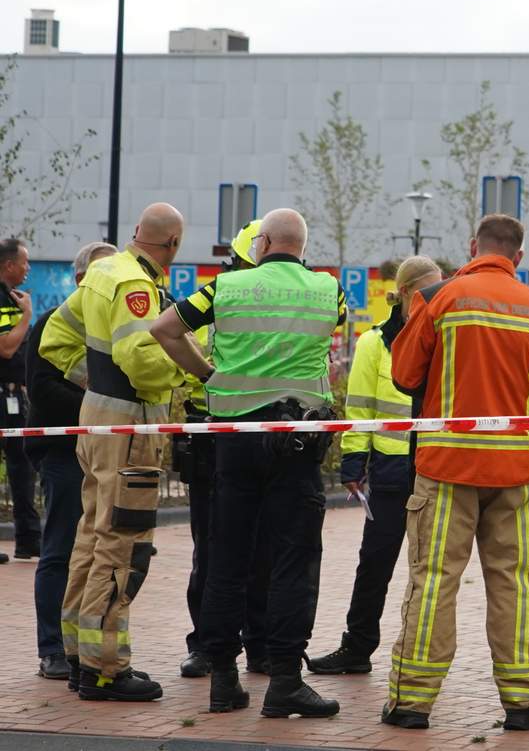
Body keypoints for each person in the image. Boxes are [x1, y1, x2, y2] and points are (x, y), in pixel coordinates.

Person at [152, 208, 345, 718]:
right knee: (291, 560)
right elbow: (332, 335)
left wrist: (210, 373)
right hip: (296, 442)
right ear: (301, 247)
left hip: (233, 439)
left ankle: (222, 678)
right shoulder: (329, 290)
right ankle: (284, 679)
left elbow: (165, 329)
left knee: (227, 557)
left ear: (260, 245)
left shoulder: (226, 288)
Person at [382, 214, 529, 732]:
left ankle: (412, 702)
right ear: (519, 256)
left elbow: (404, 374)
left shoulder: (440, 298)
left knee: (435, 580)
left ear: (472, 247)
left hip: (446, 467)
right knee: (514, 581)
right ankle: (525, 701)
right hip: (515, 470)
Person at [41, 202, 189, 702]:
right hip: (132, 428)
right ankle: (106, 669)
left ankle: (80, 655)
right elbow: (143, 361)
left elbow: (55, 341)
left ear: (135, 233)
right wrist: (186, 376)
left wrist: (95, 383)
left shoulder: (102, 272)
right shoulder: (137, 286)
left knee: (92, 535)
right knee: (123, 543)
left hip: (97, 425)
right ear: (172, 245)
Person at [308, 256, 442, 676]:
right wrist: (352, 465)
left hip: (434, 467)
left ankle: (421, 654)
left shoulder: (444, 339)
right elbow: (360, 408)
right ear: (403, 294)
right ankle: (358, 646)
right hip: (390, 470)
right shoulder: (372, 344)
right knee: (375, 563)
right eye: (425, 293)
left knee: (432, 567)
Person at [177, 220, 274, 679]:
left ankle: (252, 645)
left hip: (241, 430)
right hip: (214, 431)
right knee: (214, 547)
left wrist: (205, 375)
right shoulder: (223, 292)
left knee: (250, 549)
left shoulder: (258, 293)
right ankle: (211, 646)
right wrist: (206, 378)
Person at [28, 241, 117, 681]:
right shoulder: (51, 325)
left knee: (103, 552)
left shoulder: (118, 328)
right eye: (100, 276)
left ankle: (87, 647)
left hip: (106, 454)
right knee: (61, 549)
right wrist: (99, 404)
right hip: (65, 455)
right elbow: (42, 391)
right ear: (81, 280)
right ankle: (52, 649)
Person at [0, 237, 37, 562]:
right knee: (17, 464)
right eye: (24, 262)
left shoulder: (10, 297)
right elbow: (6, 347)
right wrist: (26, 316)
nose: (28, 268)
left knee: (21, 466)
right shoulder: (3, 300)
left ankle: (28, 538)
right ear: (9, 265)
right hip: (2, 394)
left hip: (14, 393)